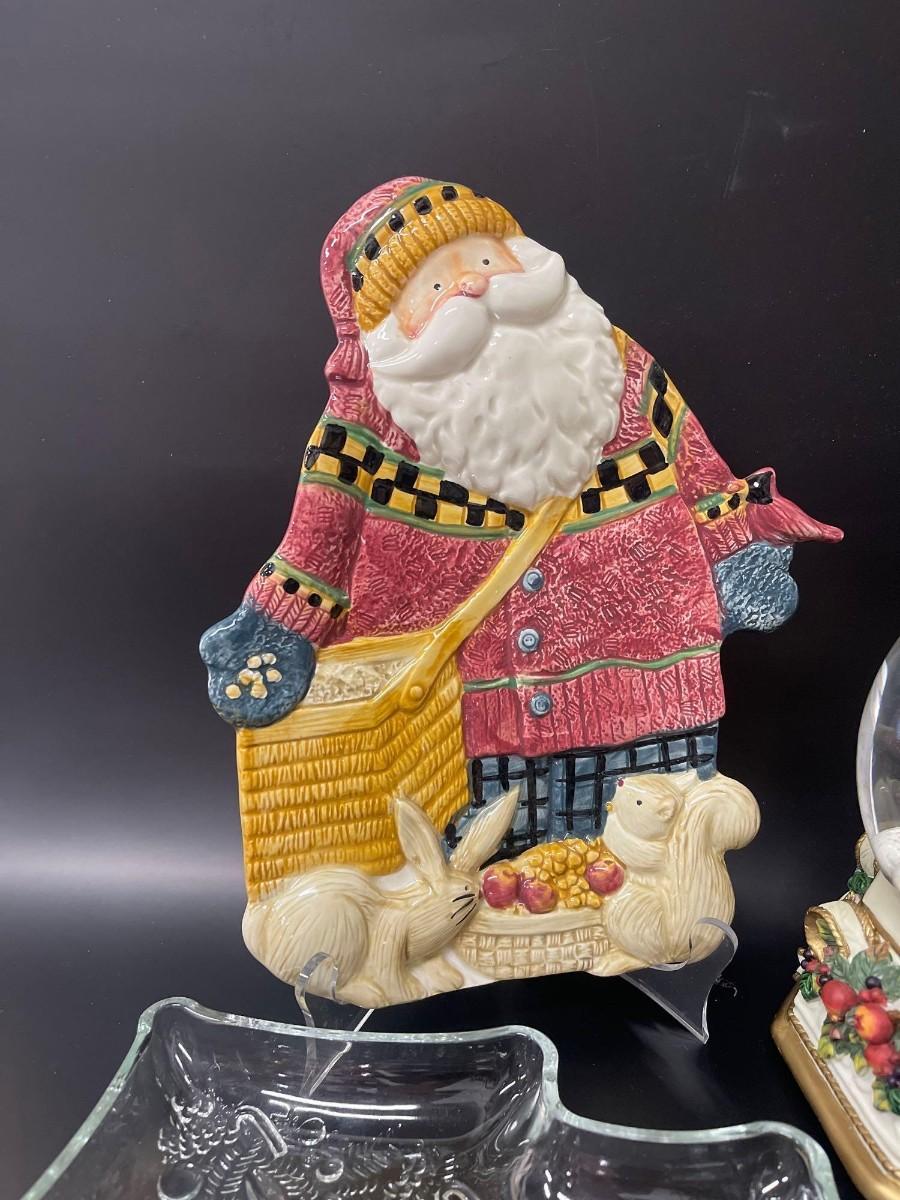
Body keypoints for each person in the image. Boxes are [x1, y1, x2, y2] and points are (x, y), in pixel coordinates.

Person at [201, 177, 841, 855]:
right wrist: (283, 624)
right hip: (461, 725)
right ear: (390, 331)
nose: (472, 285)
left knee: (654, 842)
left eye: (483, 259)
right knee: (482, 854)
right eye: (435, 286)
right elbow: (320, 532)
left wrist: (736, 550)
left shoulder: (612, 362)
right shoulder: (370, 417)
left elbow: (696, 464)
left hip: (647, 688)